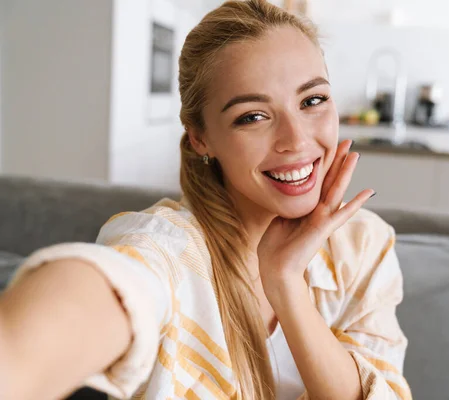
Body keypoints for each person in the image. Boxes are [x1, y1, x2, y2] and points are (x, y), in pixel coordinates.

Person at [0, 1, 412, 399]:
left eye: (312, 100)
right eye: (252, 116)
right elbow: (117, 282)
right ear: (201, 137)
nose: (298, 140)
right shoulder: (171, 250)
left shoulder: (363, 246)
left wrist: (286, 283)